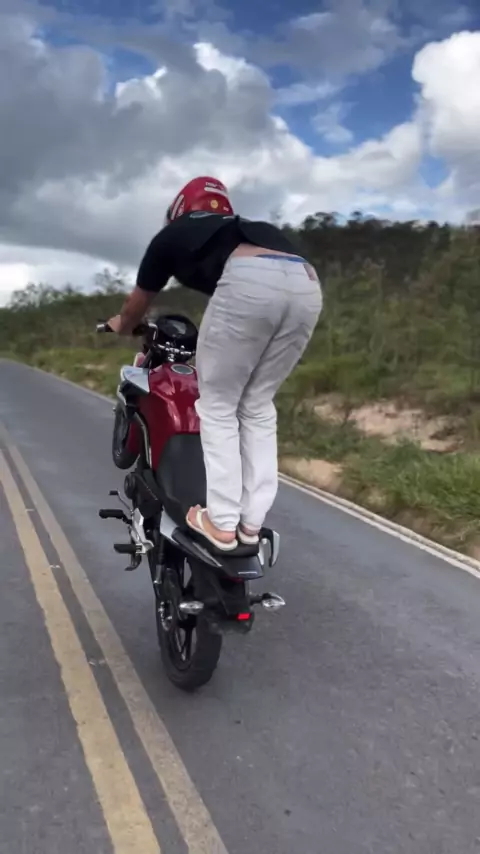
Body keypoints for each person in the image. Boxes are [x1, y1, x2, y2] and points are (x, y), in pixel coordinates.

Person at [107, 176, 323, 551]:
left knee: (217, 404)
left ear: (179, 210)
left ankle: (220, 521)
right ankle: (251, 523)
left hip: (250, 281)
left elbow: (135, 306)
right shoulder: (245, 231)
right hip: (306, 282)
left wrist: (120, 325)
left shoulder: (172, 236)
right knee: (257, 405)